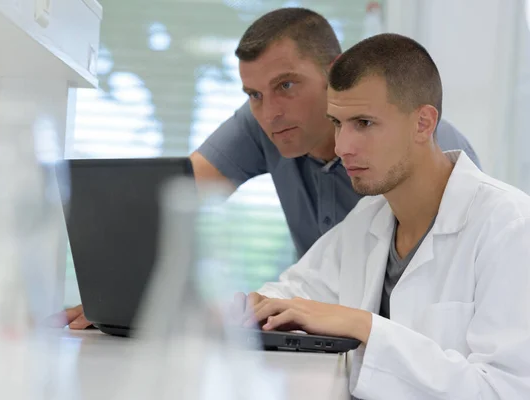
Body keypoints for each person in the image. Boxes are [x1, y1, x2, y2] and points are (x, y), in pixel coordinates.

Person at [59, 7, 481, 329]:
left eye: (286, 86)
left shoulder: (421, 150)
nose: (269, 114)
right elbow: (168, 200)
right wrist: (126, 302)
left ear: (335, 73)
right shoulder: (262, 125)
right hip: (327, 330)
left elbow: (453, 304)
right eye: (254, 94)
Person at [234, 33, 530, 398]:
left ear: (423, 123)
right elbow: (293, 295)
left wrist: (363, 326)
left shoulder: (511, 227)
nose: (342, 147)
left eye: (364, 123)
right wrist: (251, 309)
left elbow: (505, 390)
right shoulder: (370, 217)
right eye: (338, 123)